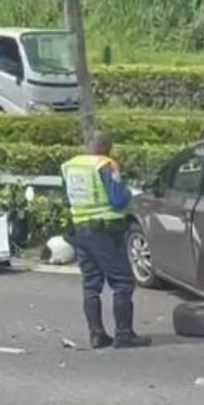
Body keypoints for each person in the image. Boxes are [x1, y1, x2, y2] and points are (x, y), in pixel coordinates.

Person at [61, 133, 152, 349]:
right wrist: (129, 192)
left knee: (91, 285)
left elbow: (66, 198)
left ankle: (96, 334)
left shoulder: (70, 166)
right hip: (105, 231)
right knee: (122, 282)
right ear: (104, 146)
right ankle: (124, 334)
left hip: (81, 230)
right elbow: (118, 200)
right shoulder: (106, 165)